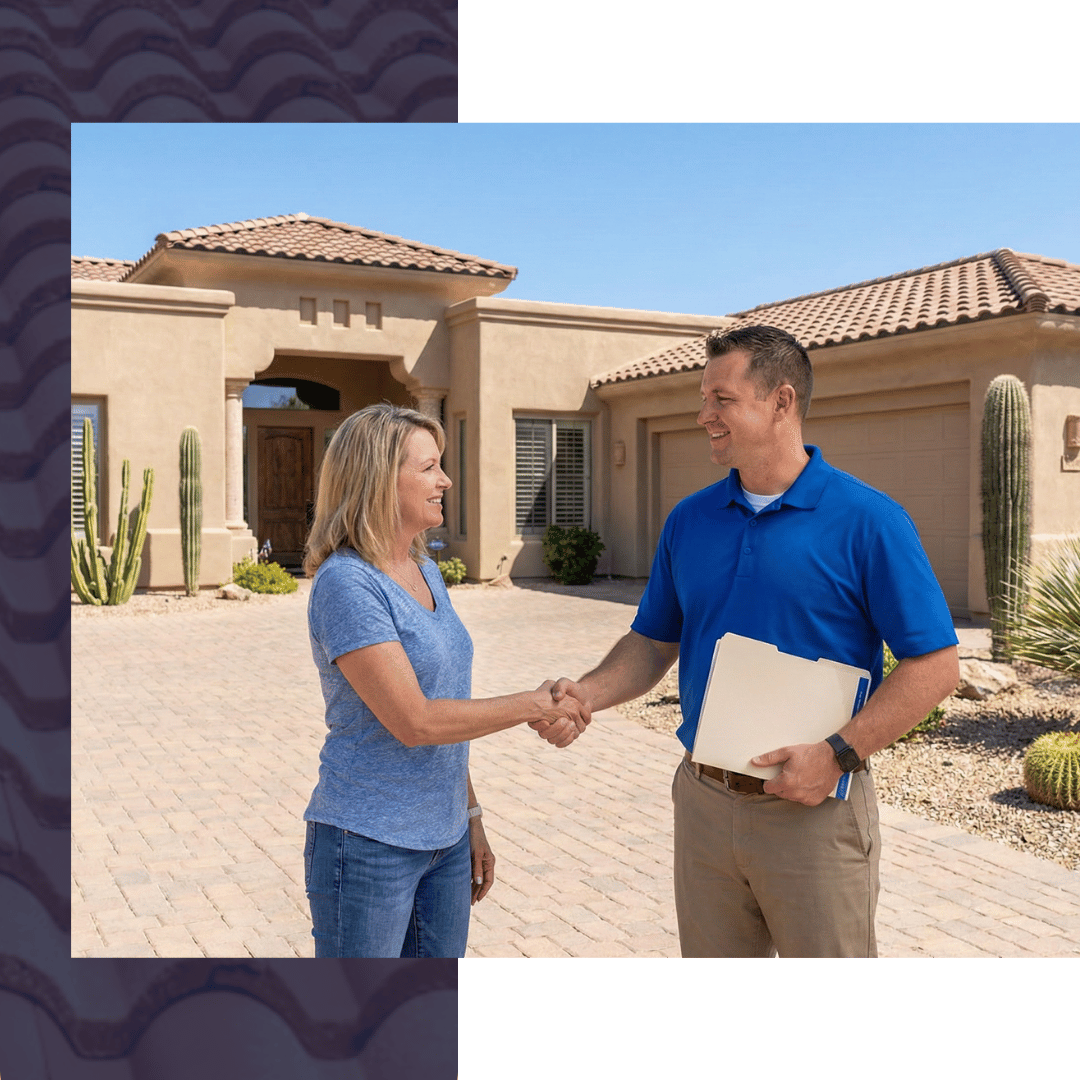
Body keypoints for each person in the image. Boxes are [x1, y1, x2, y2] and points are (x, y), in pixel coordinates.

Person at [551, 324, 959, 958]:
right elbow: (654, 643)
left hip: (814, 812)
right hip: (706, 804)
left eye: (722, 399)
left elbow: (935, 665)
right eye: (704, 398)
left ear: (782, 403)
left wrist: (838, 754)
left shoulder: (870, 521)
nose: (703, 415)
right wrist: (587, 693)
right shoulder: (689, 521)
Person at [302, 403, 589, 958]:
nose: (445, 481)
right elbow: (416, 721)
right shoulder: (348, 584)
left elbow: (445, 708)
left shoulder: (425, 569)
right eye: (429, 467)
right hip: (368, 845)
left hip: (446, 843)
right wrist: (534, 702)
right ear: (380, 480)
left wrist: (471, 816)